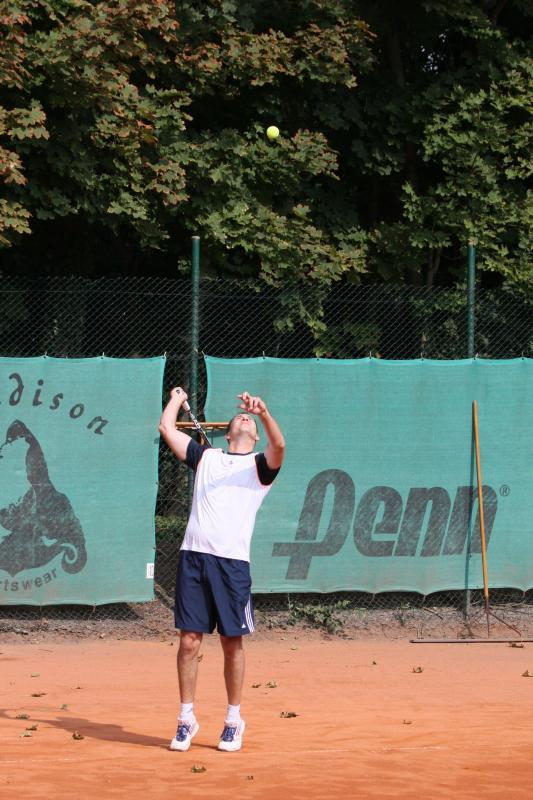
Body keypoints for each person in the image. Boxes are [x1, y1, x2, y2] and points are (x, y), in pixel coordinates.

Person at [158, 387, 285, 753]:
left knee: (232, 643)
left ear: (255, 436)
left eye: (250, 421)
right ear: (227, 434)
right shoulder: (206, 458)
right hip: (193, 558)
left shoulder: (260, 466)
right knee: (188, 641)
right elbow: (167, 428)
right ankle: (186, 719)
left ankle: (233, 720)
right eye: (240, 418)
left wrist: (263, 412)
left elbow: (280, 445)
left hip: (232, 565)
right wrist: (177, 399)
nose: (244, 419)